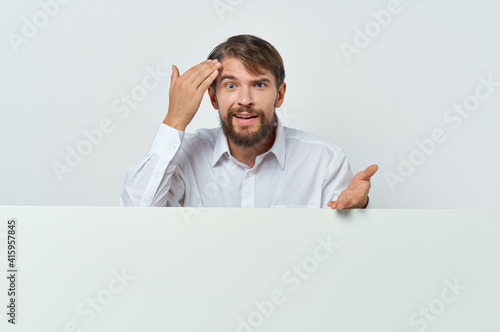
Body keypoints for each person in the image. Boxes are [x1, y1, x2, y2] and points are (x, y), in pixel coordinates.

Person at [119, 34, 378, 209]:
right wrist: (174, 120)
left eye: (259, 85)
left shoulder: (324, 161)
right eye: (231, 85)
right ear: (213, 97)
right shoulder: (183, 156)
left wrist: (356, 213)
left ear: (279, 94)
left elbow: (345, 254)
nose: (245, 99)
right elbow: (134, 219)